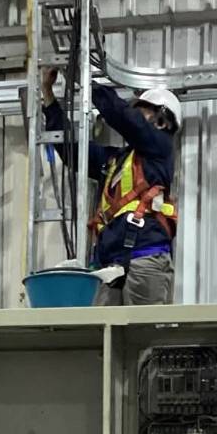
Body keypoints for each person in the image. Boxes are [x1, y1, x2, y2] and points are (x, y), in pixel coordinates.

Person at [42, 70, 182, 307]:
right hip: (110, 265)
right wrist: (49, 98)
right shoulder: (115, 161)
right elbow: (72, 151)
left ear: (162, 120)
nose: (137, 115)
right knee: (103, 328)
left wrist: (84, 81)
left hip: (144, 256)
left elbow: (124, 118)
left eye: (143, 110)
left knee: (141, 327)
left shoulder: (161, 149)